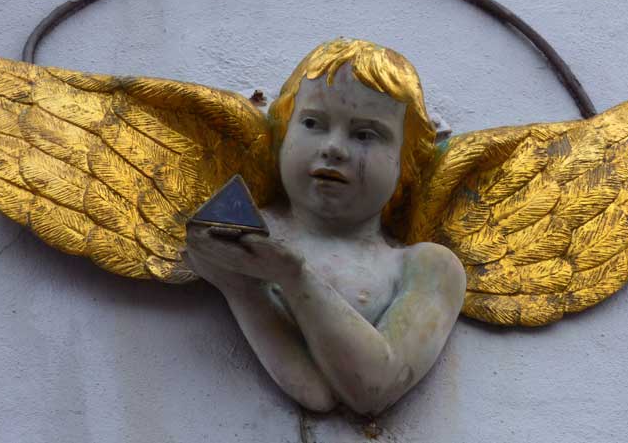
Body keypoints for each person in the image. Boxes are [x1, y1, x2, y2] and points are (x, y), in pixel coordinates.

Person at [184, 38, 466, 416]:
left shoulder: (428, 267)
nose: (334, 147)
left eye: (365, 134)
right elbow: (315, 393)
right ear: (282, 136)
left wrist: (291, 275)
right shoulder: (245, 233)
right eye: (313, 123)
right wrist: (242, 288)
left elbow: (373, 388)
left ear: (407, 163)